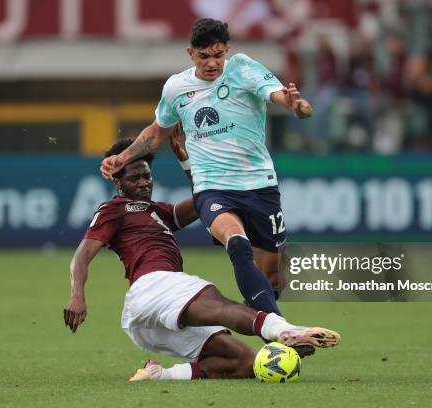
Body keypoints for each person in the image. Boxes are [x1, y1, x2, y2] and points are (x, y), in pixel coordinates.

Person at [65, 140, 340, 381]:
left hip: (151, 316)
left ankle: (160, 375)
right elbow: (81, 255)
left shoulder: (159, 211)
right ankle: (286, 331)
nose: (143, 183)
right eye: (134, 178)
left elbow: (203, 201)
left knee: (244, 363)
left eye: (147, 176)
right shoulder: (113, 209)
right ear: (117, 182)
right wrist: (77, 296)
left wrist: (186, 161)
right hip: (153, 286)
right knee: (218, 303)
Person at [100, 18, 313, 321]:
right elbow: (157, 132)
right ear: (190, 54)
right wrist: (124, 156)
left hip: (259, 184)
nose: (212, 63)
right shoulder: (176, 88)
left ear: (228, 50)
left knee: (272, 276)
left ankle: (263, 309)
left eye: (218, 54)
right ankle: (280, 330)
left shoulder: (243, 68)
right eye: (204, 56)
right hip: (212, 187)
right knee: (237, 245)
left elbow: (277, 94)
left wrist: (295, 106)